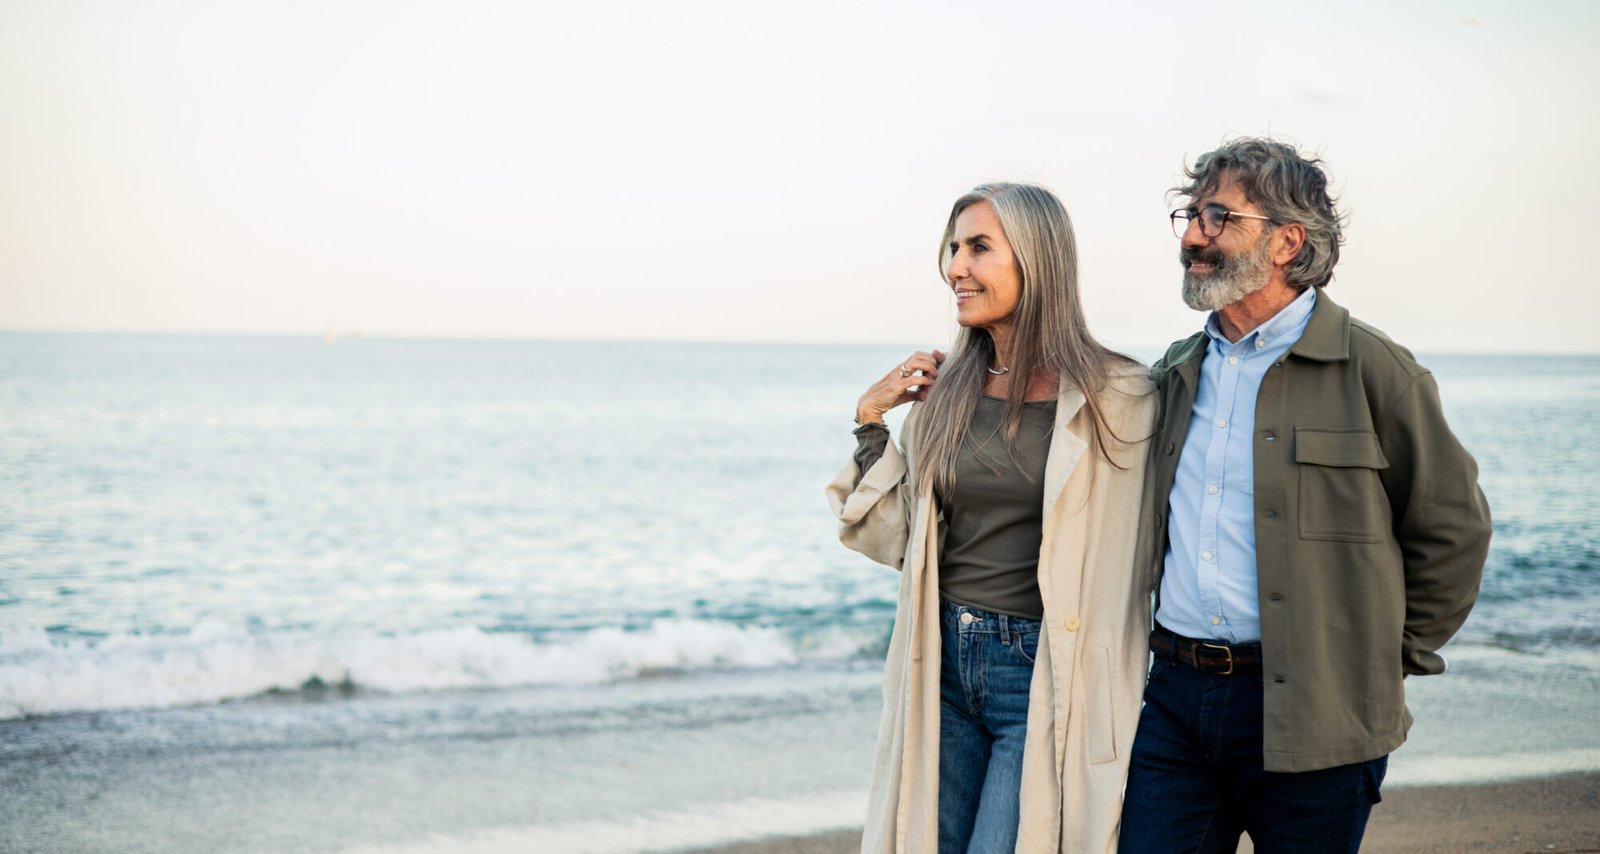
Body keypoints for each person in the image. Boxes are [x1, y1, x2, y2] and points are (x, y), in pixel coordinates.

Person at [1119, 138, 1493, 854]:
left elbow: (1452, 534)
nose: (1195, 235)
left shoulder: (1378, 372)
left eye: (1220, 216)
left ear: (1288, 241)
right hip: (1174, 703)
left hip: (1322, 714)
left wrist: (1378, 661)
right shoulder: (1176, 372)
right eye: (1191, 215)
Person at [826, 183, 1156, 853]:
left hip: (1038, 673)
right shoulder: (945, 393)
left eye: (979, 247)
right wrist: (870, 422)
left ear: (1037, 259)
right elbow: (897, 539)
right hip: (939, 659)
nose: (956, 267)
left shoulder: (1117, 398)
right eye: (953, 248)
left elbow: (1150, 545)